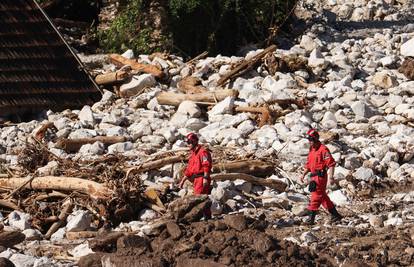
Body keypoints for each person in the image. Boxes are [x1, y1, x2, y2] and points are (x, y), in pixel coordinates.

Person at [300, 129, 342, 225]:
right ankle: (336, 215)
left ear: (315, 139)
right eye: (309, 139)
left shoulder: (323, 149)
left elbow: (331, 164)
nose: (309, 141)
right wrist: (303, 174)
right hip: (313, 176)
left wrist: (331, 177)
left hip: (320, 177)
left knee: (315, 196)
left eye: (311, 139)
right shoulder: (312, 150)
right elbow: (309, 165)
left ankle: (311, 219)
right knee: (323, 198)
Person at [179, 132, 212, 218]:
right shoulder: (193, 154)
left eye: (189, 142)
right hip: (196, 180)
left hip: (202, 178)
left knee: (198, 199)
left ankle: (203, 218)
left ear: (194, 142)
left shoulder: (203, 152)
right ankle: (207, 217)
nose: (188, 144)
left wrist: (205, 178)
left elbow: (206, 165)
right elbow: (190, 170)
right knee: (202, 199)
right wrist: (182, 180)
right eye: (187, 142)